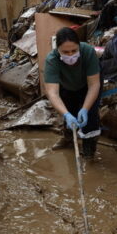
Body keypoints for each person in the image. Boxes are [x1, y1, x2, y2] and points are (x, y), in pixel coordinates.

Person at [44, 27, 101, 159]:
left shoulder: (88, 52)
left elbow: (94, 85)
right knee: (69, 111)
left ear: (79, 46)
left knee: (90, 115)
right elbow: (52, 93)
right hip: (66, 86)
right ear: (58, 49)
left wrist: (85, 109)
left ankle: (89, 151)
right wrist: (66, 114)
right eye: (65, 52)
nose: (70, 55)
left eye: (74, 51)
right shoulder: (52, 60)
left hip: (88, 85)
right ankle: (68, 138)